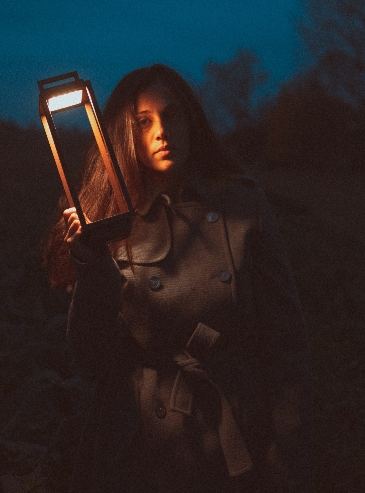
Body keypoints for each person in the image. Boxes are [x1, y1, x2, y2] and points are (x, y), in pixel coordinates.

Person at [44, 64, 314, 493]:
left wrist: (284, 462)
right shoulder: (106, 221)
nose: (161, 132)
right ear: (121, 134)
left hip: (235, 428)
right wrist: (91, 265)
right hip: (143, 444)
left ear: (193, 121)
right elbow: (90, 358)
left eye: (172, 115)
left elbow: (287, 349)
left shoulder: (243, 206)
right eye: (143, 122)